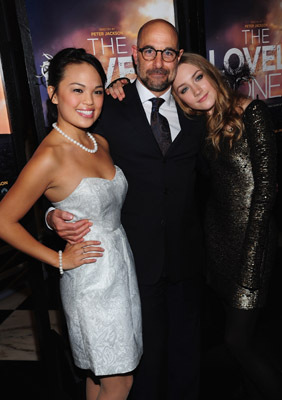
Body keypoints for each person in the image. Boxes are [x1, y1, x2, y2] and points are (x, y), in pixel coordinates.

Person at [46, 20, 207, 400]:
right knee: (138, 370)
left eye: (168, 53)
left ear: (177, 57)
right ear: (135, 55)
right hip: (130, 267)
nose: (158, 61)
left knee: (187, 363)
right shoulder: (106, 109)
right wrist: (53, 216)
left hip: (187, 261)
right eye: (149, 51)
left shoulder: (195, 109)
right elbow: (65, 166)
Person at [0, 48, 143, 400]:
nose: (89, 101)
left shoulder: (100, 142)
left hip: (121, 272)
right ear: (53, 94)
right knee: (119, 382)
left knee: (98, 380)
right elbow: (4, 220)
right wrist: (59, 260)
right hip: (90, 282)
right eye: (76, 90)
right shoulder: (49, 155)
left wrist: (52, 216)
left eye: (96, 90)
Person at [172, 53, 282, 399]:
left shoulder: (251, 112)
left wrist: (251, 261)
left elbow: (265, 192)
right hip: (218, 245)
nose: (195, 91)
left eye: (198, 79)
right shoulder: (199, 126)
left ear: (211, 73)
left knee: (238, 341)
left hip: (254, 243)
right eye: (184, 89)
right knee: (238, 339)